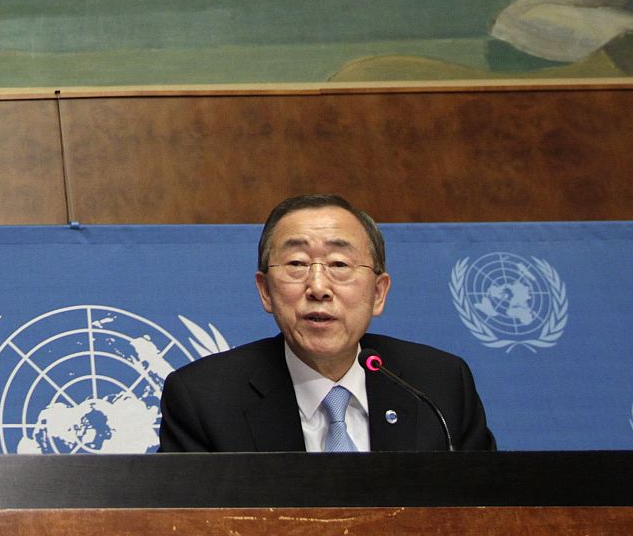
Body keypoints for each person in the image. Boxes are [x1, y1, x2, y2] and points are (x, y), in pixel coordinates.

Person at [158, 193, 496, 452]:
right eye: (297, 263)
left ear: (378, 293)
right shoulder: (204, 400)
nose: (318, 287)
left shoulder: (440, 386)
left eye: (338, 264)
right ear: (265, 291)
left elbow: (492, 511)